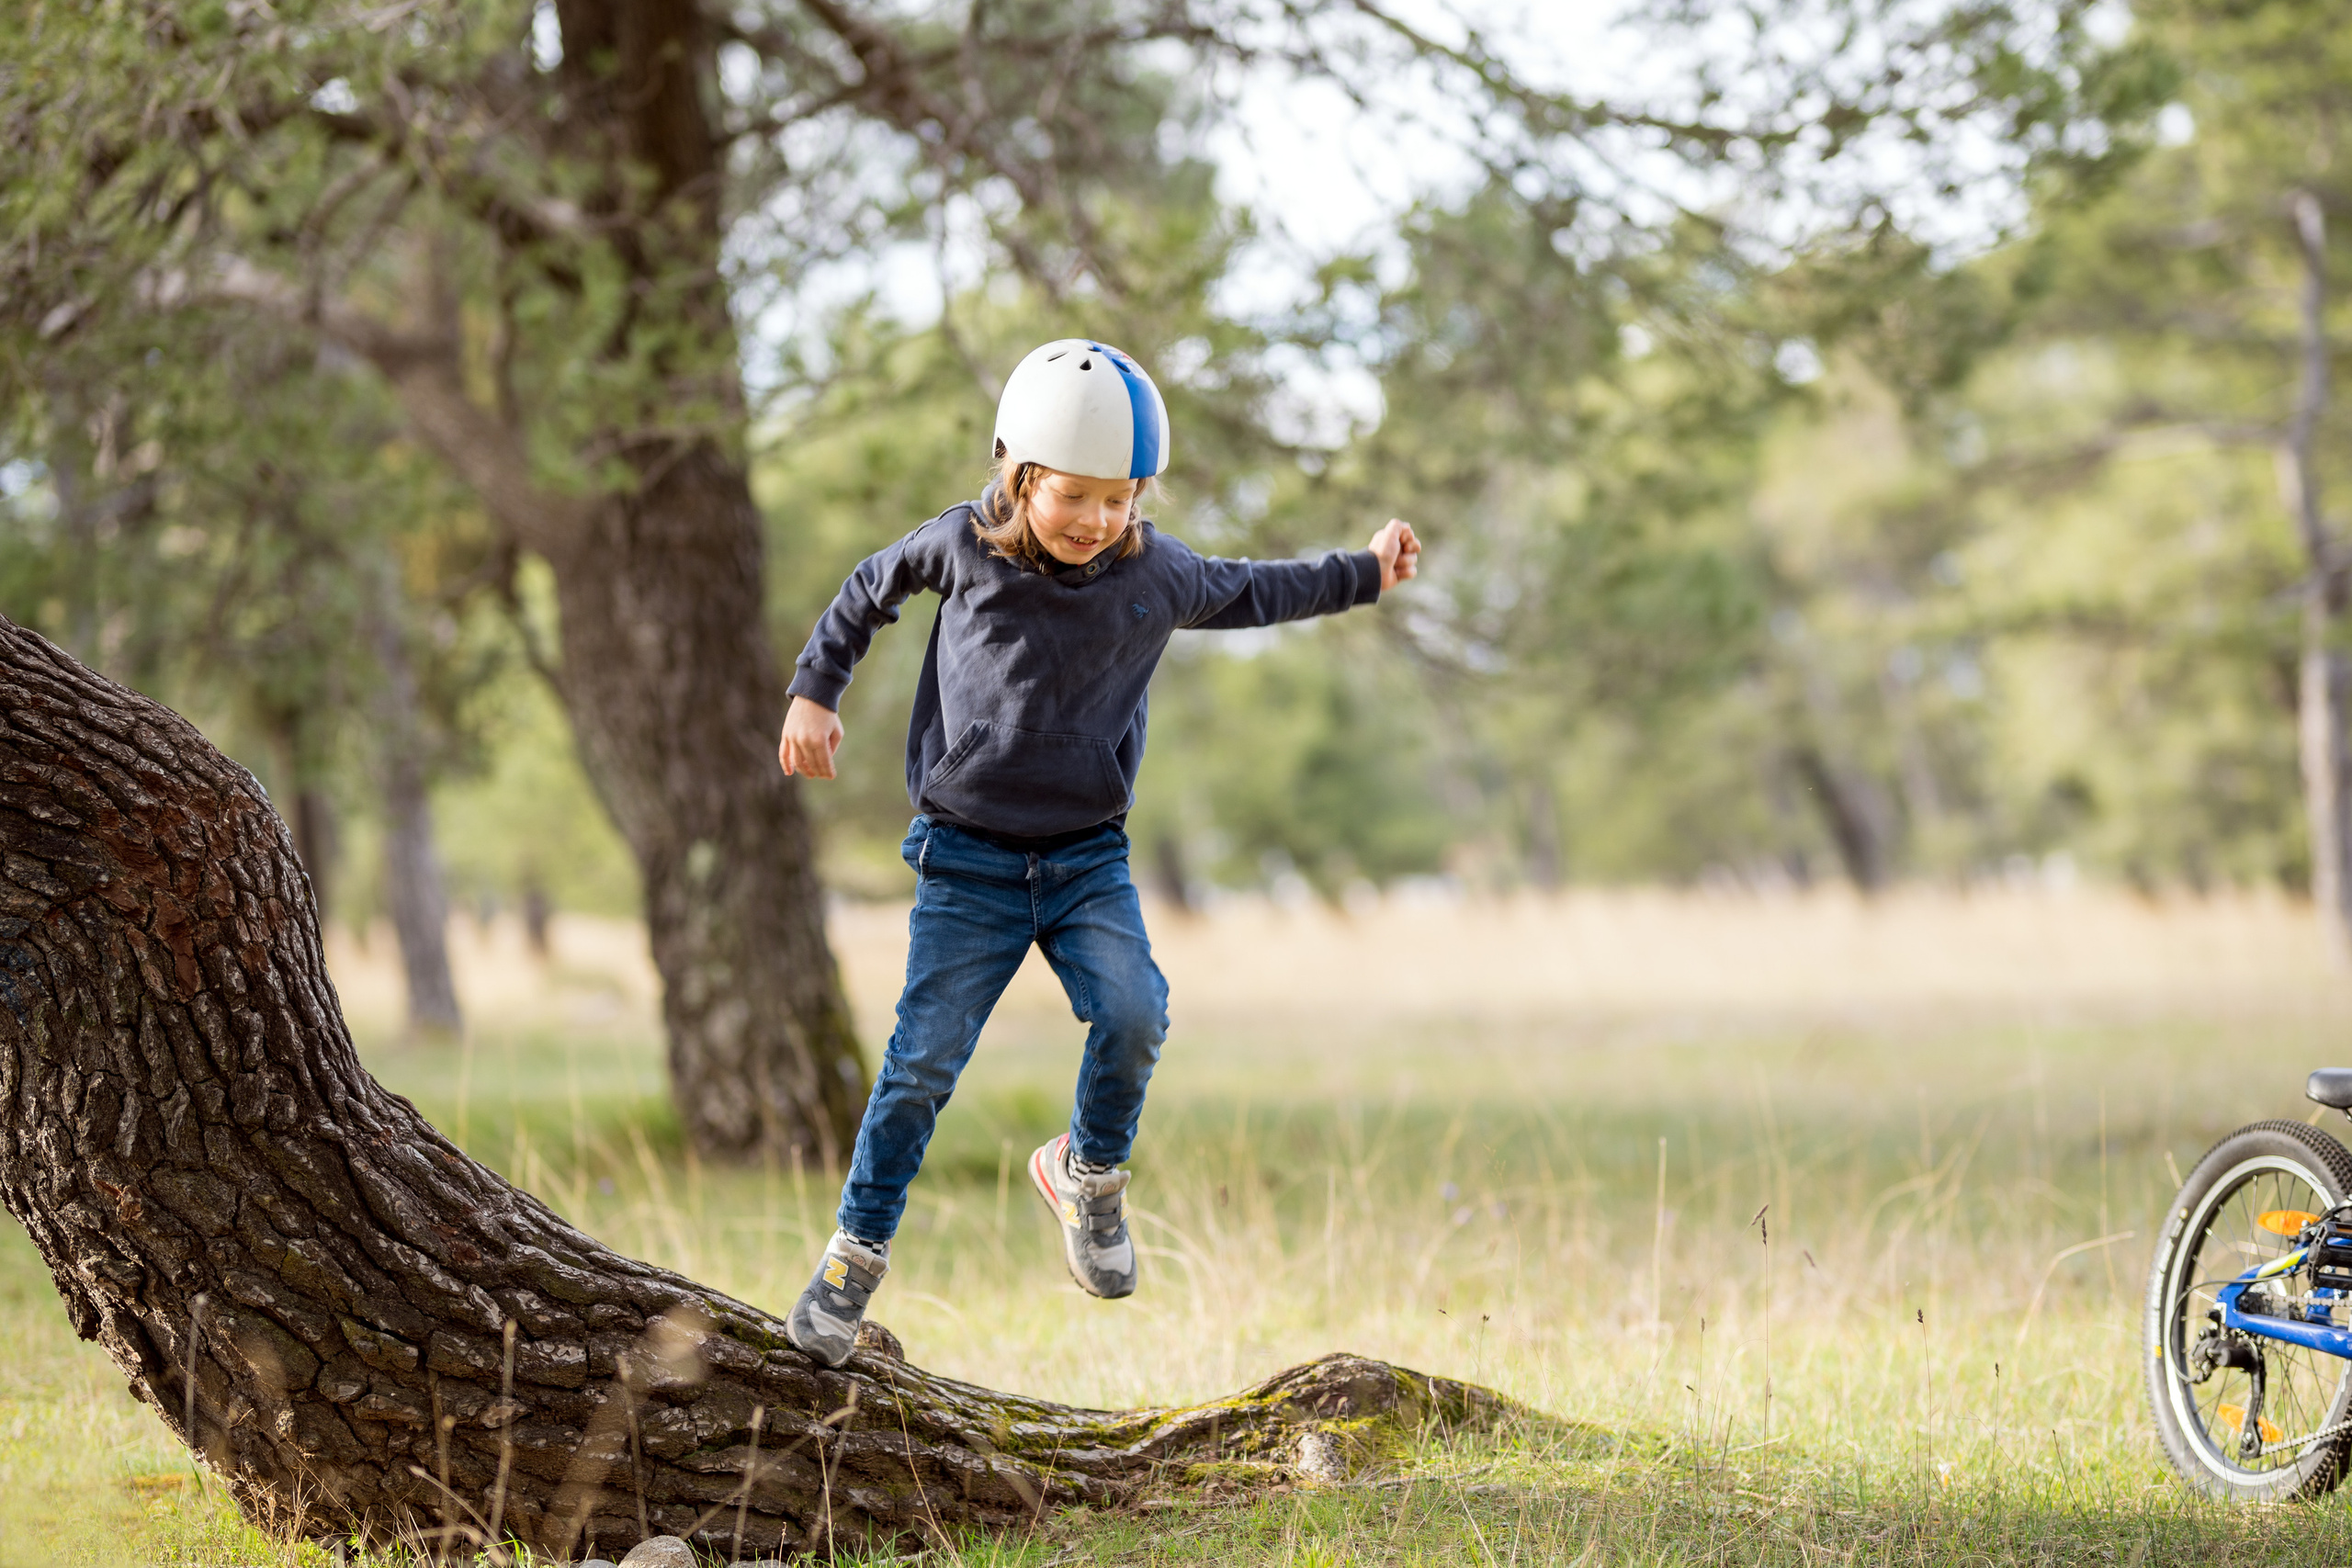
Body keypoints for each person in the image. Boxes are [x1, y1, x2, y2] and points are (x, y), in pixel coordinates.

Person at [775, 337, 1420, 1366]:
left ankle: (1089, 1177)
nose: (1096, 521)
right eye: (1072, 496)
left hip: (1084, 862)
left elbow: (1259, 590)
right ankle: (853, 1255)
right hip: (966, 862)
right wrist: (815, 692)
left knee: (1134, 1012)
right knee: (919, 1067)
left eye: (1119, 499)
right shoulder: (961, 547)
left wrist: (1363, 574)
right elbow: (866, 590)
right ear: (1018, 475)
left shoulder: (1154, 573)